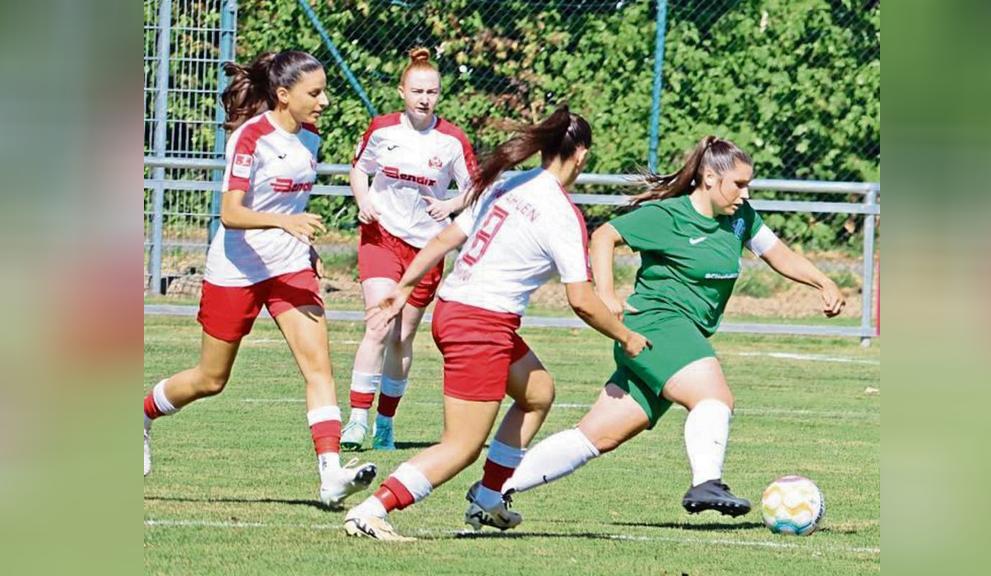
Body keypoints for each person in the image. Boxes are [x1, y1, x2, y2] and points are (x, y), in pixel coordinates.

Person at [498, 136, 847, 522]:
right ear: (710, 178)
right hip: (658, 325)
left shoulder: (741, 218)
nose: (745, 193)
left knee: (597, 435)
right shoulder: (669, 216)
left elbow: (779, 254)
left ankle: (494, 490)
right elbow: (604, 235)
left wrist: (824, 282)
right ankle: (707, 482)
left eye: (748, 185)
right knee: (714, 396)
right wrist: (607, 293)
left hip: (675, 337)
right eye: (739, 184)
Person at [341, 105, 650, 541]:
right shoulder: (561, 212)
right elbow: (581, 300)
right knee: (461, 446)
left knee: (538, 392)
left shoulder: (509, 184)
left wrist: (405, 286)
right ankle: (373, 509)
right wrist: (625, 336)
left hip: (457, 310)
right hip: (479, 325)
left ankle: (489, 496)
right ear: (581, 155)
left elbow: (447, 237)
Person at [142, 51, 376, 509]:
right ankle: (141, 414)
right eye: (315, 93)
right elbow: (230, 214)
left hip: (288, 267)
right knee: (211, 379)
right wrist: (284, 223)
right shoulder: (249, 138)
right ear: (283, 95)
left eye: (324, 91)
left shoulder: (310, 138)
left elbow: (291, 206)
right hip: (237, 269)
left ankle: (331, 475)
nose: (325, 101)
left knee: (319, 369)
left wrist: (303, 244)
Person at [342, 47, 478, 452]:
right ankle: (356, 421)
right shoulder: (382, 130)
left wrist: (450, 205)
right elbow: (359, 169)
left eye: (431, 92)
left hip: (427, 248)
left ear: (439, 94)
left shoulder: (452, 140)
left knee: (401, 337)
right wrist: (363, 201)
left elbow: (474, 187)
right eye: (417, 91)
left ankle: (385, 421)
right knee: (379, 324)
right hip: (382, 237)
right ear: (402, 91)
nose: (424, 98)